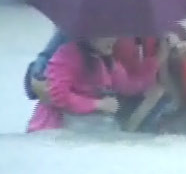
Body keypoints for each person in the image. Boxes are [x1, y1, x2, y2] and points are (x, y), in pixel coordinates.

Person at [26, 36, 169, 132]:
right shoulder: (68, 54)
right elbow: (58, 95)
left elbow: (128, 86)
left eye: (115, 34)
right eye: (106, 33)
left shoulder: (108, 61)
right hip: (53, 127)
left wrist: (157, 62)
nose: (113, 39)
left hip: (85, 125)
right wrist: (97, 104)